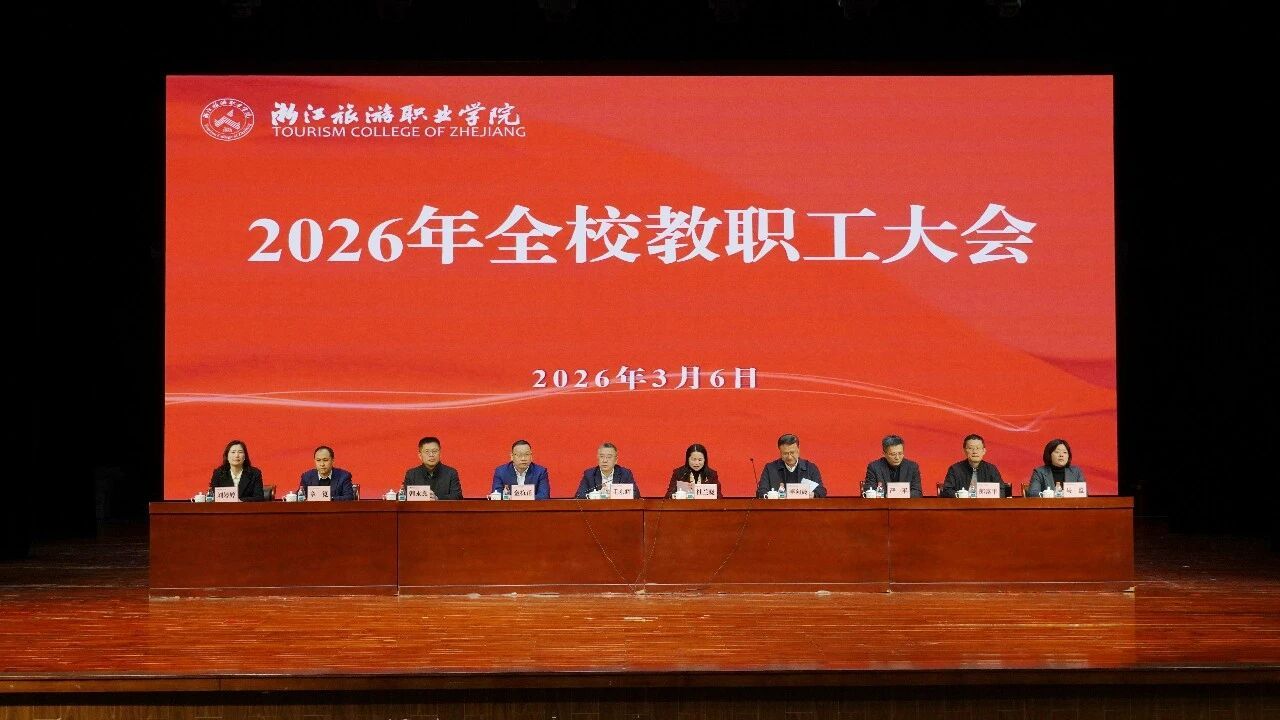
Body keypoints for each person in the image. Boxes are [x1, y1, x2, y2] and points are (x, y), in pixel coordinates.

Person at [756, 433, 826, 497]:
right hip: (779, 506)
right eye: (785, 453)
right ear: (780, 452)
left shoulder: (810, 468)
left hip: (804, 506)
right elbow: (761, 491)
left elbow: (821, 490)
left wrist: (812, 495)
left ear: (798, 450)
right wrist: (771, 495)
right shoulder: (770, 469)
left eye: (792, 452)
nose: (789, 457)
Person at [940, 433, 1010, 497]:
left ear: (984, 451)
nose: (975, 452)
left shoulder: (991, 469)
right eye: (970, 448)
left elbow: (1001, 491)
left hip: (986, 505)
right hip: (962, 505)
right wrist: (960, 495)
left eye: (978, 448)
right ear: (964, 451)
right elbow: (946, 491)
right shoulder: (955, 469)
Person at [574, 442, 640, 498]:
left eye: (609, 457)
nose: (605, 460)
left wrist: (612, 494)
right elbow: (579, 496)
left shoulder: (625, 473)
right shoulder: (589, 474)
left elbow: (636, 494)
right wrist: (599, 495)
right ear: (597, 458)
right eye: (601, 456)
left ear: (616, 460)